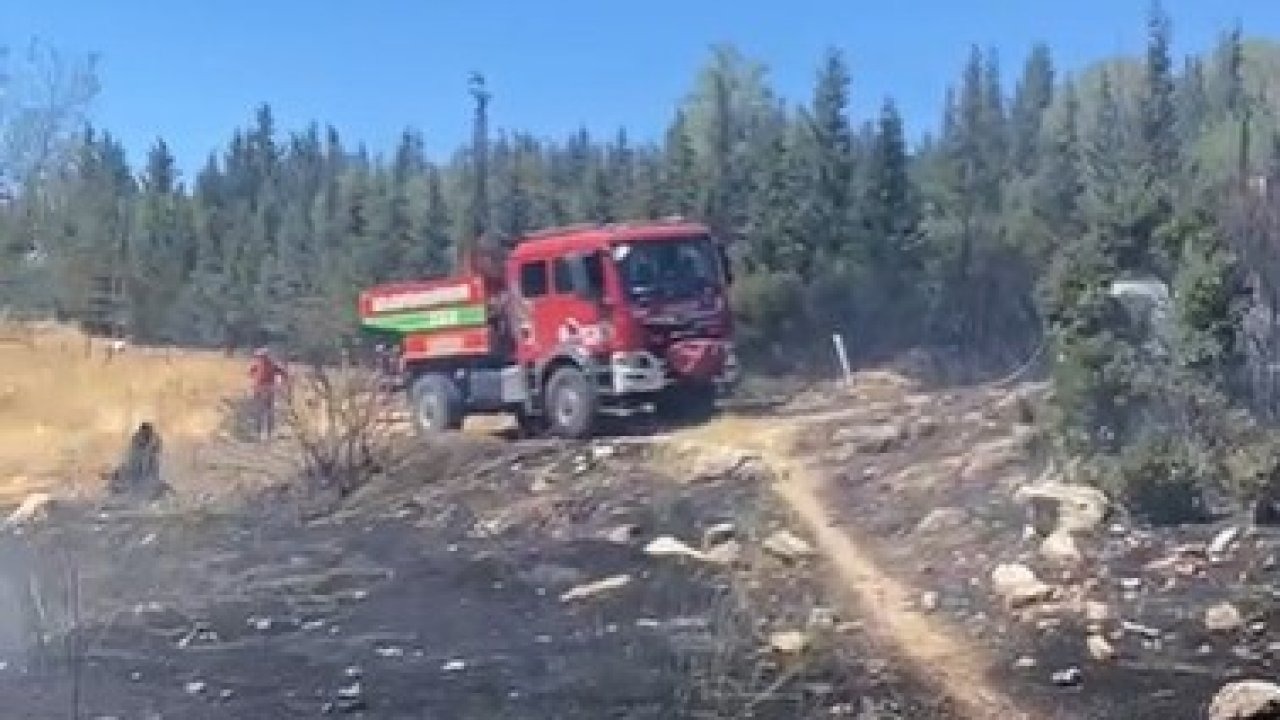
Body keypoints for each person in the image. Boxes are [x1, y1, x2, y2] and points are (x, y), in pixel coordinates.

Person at [248, 347, 288, 440]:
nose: (260, 358)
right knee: (264, 411)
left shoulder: (262, 364)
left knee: (263, 411)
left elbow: (250, 373)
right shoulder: (269, 364)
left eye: (261, 356)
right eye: (260, 356)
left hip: (263, 388)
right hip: (263, 388)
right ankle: (264, 432)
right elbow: (283, 373)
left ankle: (264, 432)